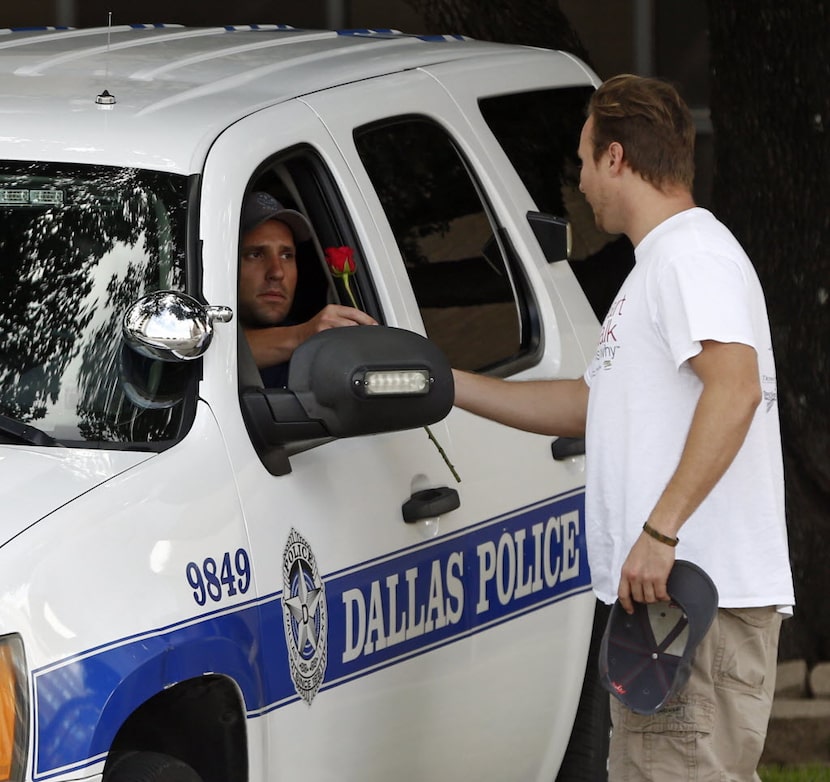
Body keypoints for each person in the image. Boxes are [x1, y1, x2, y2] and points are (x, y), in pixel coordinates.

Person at [453, 74, 794, 780]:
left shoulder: (689, 258)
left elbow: (733, 391)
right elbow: (591, 404)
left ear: (616, 157)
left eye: (583, 159)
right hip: (672, 607)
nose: (579, 180)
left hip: (694, 603)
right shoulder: (662, 265)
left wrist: (661, 530)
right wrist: (447, 385)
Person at [239, 191, 376, 386]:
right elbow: (203, 354)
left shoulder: (322, 351)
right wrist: (303, 336)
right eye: (255, 254)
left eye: (287, 256)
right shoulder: (190, 338)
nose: (277, 272)